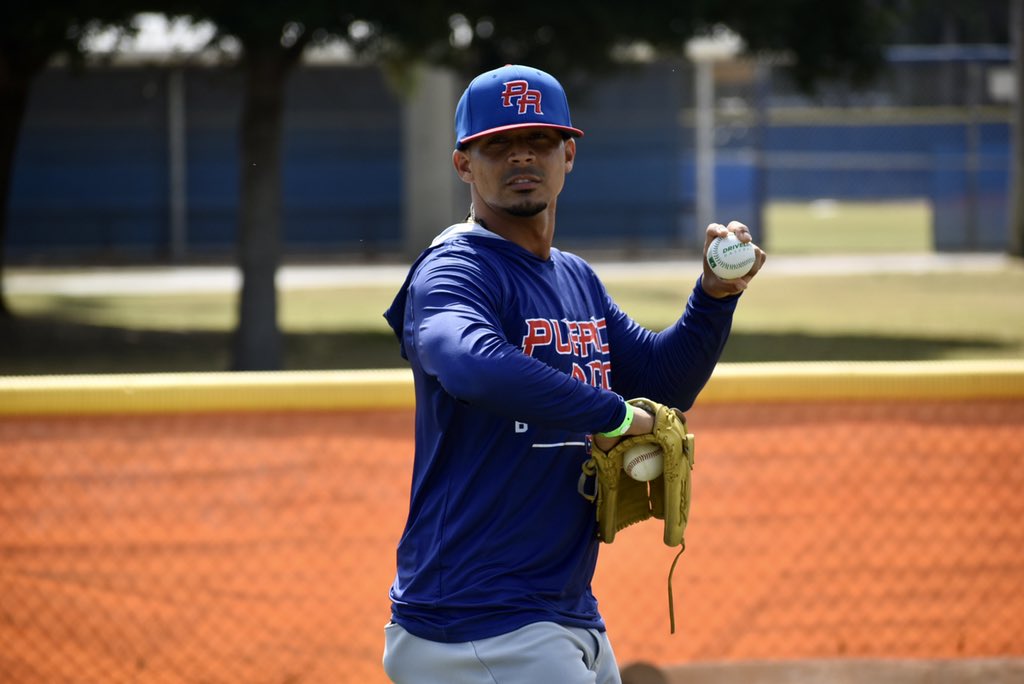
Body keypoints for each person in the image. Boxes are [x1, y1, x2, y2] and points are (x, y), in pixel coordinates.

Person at [382, 64, 765, 684]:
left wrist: (715, 296)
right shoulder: (454, 271)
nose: (521, 157)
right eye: (498, 145)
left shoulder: (575, 278)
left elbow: (661, 382)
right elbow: (470, 363)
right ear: (463, 164)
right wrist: (611, 413)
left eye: (538, 141)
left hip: (558, 612)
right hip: (475, 618)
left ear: (569, 155)